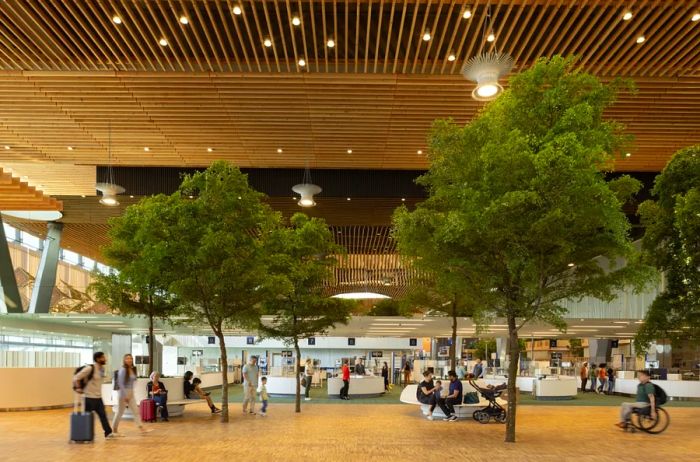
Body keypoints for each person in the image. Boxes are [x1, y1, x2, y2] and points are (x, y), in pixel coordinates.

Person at [72, 351, 114, 439]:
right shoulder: (90, 368)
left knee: (103, 416)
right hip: (89, 397)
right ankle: (85, 434)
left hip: (98, 398)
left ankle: (108, 432)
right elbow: (76, 377)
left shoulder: (102, 369)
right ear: (98, 359)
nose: (105, 359)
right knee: (88, 417)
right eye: (103, 357)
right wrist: (78, 387)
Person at [112, 354, 151, 436]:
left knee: (136, 411)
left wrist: (131, 392)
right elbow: (121, 383)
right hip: (123, 393)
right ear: (124, 360)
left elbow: (133, 382)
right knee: (120, 412)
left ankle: (141, 428)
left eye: (130, 358)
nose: (129, 360)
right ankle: (114, 430)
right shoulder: (122, 370)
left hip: (130, 392)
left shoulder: (132, 369)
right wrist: (125, 395)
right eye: (127, 358)